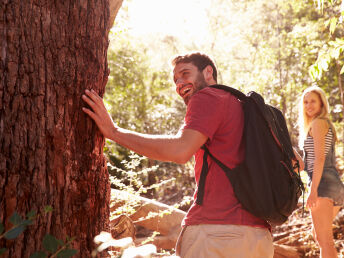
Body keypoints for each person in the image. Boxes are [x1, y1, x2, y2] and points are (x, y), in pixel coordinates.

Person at [82, 52, 273, 258]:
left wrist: (114, 132)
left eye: (185, 73)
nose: (179, 83)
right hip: (259, 238)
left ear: (208, 72)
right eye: (175, 79)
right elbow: (293, 161)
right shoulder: (248, 109)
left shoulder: (207, 97)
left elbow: (180, 151)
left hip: (214, 235)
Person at [295, 86, 344, 258]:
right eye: (306, 102)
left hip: (323, 184)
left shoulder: (318, 123)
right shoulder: (321, 124)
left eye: (313, 101)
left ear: (322, 103)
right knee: (321, 238)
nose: (308, 105)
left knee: (325, 240)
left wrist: (313, 190)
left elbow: (320, 159)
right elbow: (305, 164)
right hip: (332, 184)